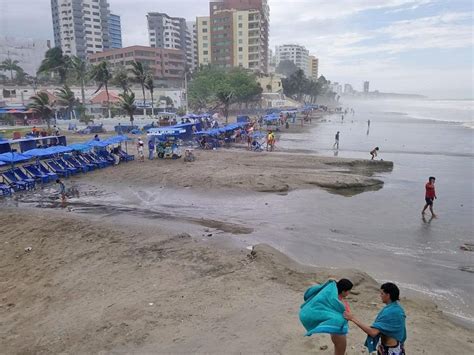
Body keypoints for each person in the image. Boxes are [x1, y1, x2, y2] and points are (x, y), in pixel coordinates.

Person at [344, 283, 406, 355]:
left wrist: (353, 318)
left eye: (382, 293)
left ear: (388, 295)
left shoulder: (392, 312)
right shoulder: (396, 308)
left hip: (391, 350)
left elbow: (373, 332)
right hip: (384, 346)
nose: (380, 295)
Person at [299, 279, 353, 355]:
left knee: (338, 349)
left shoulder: (331, 296)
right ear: (344, 291)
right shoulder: (337, 302)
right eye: (349, 291)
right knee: (340, 351)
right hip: (338, 331)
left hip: (335, 331)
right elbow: (344, 315)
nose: (349, 293)